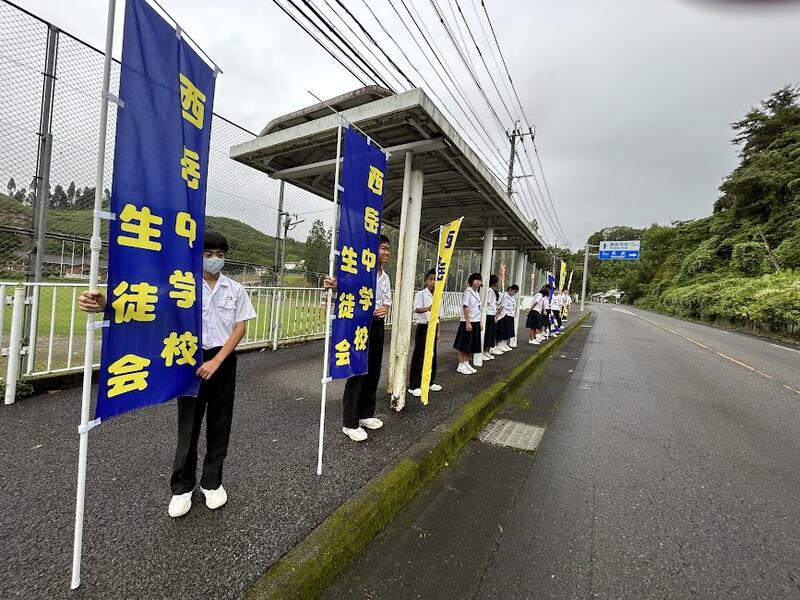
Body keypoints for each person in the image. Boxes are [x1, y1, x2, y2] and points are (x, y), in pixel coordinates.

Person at [78, 231, 256, 518]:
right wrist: (104, 304)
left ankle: (212, 482)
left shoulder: (234, 289)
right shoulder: (182, 286)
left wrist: (218, 361)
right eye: (208, 253)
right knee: (189, 424)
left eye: (220, 255)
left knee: (220, 422)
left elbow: (239, 328)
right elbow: (148, 304)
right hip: (189, 358)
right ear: (197, 255)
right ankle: (182, 487)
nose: (214, 260)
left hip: (222, 361)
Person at [324, 234, 391, 442]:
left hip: (377, 327)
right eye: (382, 248)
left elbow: (386, 301)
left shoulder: (385, 277)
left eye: (388, 249)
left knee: (374, 370)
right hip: (360, 326)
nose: (386, 252)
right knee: (358, 370)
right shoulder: (361, 271)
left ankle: (365, 414)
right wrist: (332, 284)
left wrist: (384, 309)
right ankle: (349, 422)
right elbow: (344, 286)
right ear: (372, 249)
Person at [408, 268, 443, 397]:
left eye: (435, 279)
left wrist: (439, 332)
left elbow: (439, 315)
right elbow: (416, 309)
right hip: (423, 327)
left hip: (433, 327)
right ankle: (414, 385)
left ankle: (429, 381)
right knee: (419, 355)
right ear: (426, 280)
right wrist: (428, 308)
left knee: (432, 354)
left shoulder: (438, 295)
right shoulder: (421, 294)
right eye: (431, 279)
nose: (433, 282)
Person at [453, 273, 482, 374]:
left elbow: (478, 309)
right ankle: (460, 365)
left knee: (470, 344)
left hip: (475, 321)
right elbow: (466, 307)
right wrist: (467, 322)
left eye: (479, 280)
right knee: (463, 344)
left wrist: (480, 322)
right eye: (476, 280)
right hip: (467, 321)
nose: (478, 282)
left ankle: (466, 362)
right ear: (471, 281)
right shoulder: (468, 292)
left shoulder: (477, 293)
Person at [481, 274, 501, 361]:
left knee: (490, 334)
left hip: (491, 314)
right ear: (494, 282)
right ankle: (483, 351)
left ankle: (486, 351)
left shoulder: (491, 291)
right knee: (488, 333)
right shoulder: (489, 291)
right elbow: (487, 303)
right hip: (488, 315)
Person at [494, 284, 519, 352]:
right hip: (505, 315)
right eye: (514, 291)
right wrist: (496, 316)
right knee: (502, 331)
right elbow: (501, 306)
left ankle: (504, 344)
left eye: (515, 292)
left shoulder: (512, 297)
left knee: (508, 331)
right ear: (510, 289)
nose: (514, 293)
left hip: (511, 315)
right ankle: (499, 345)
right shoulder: (504, 295)